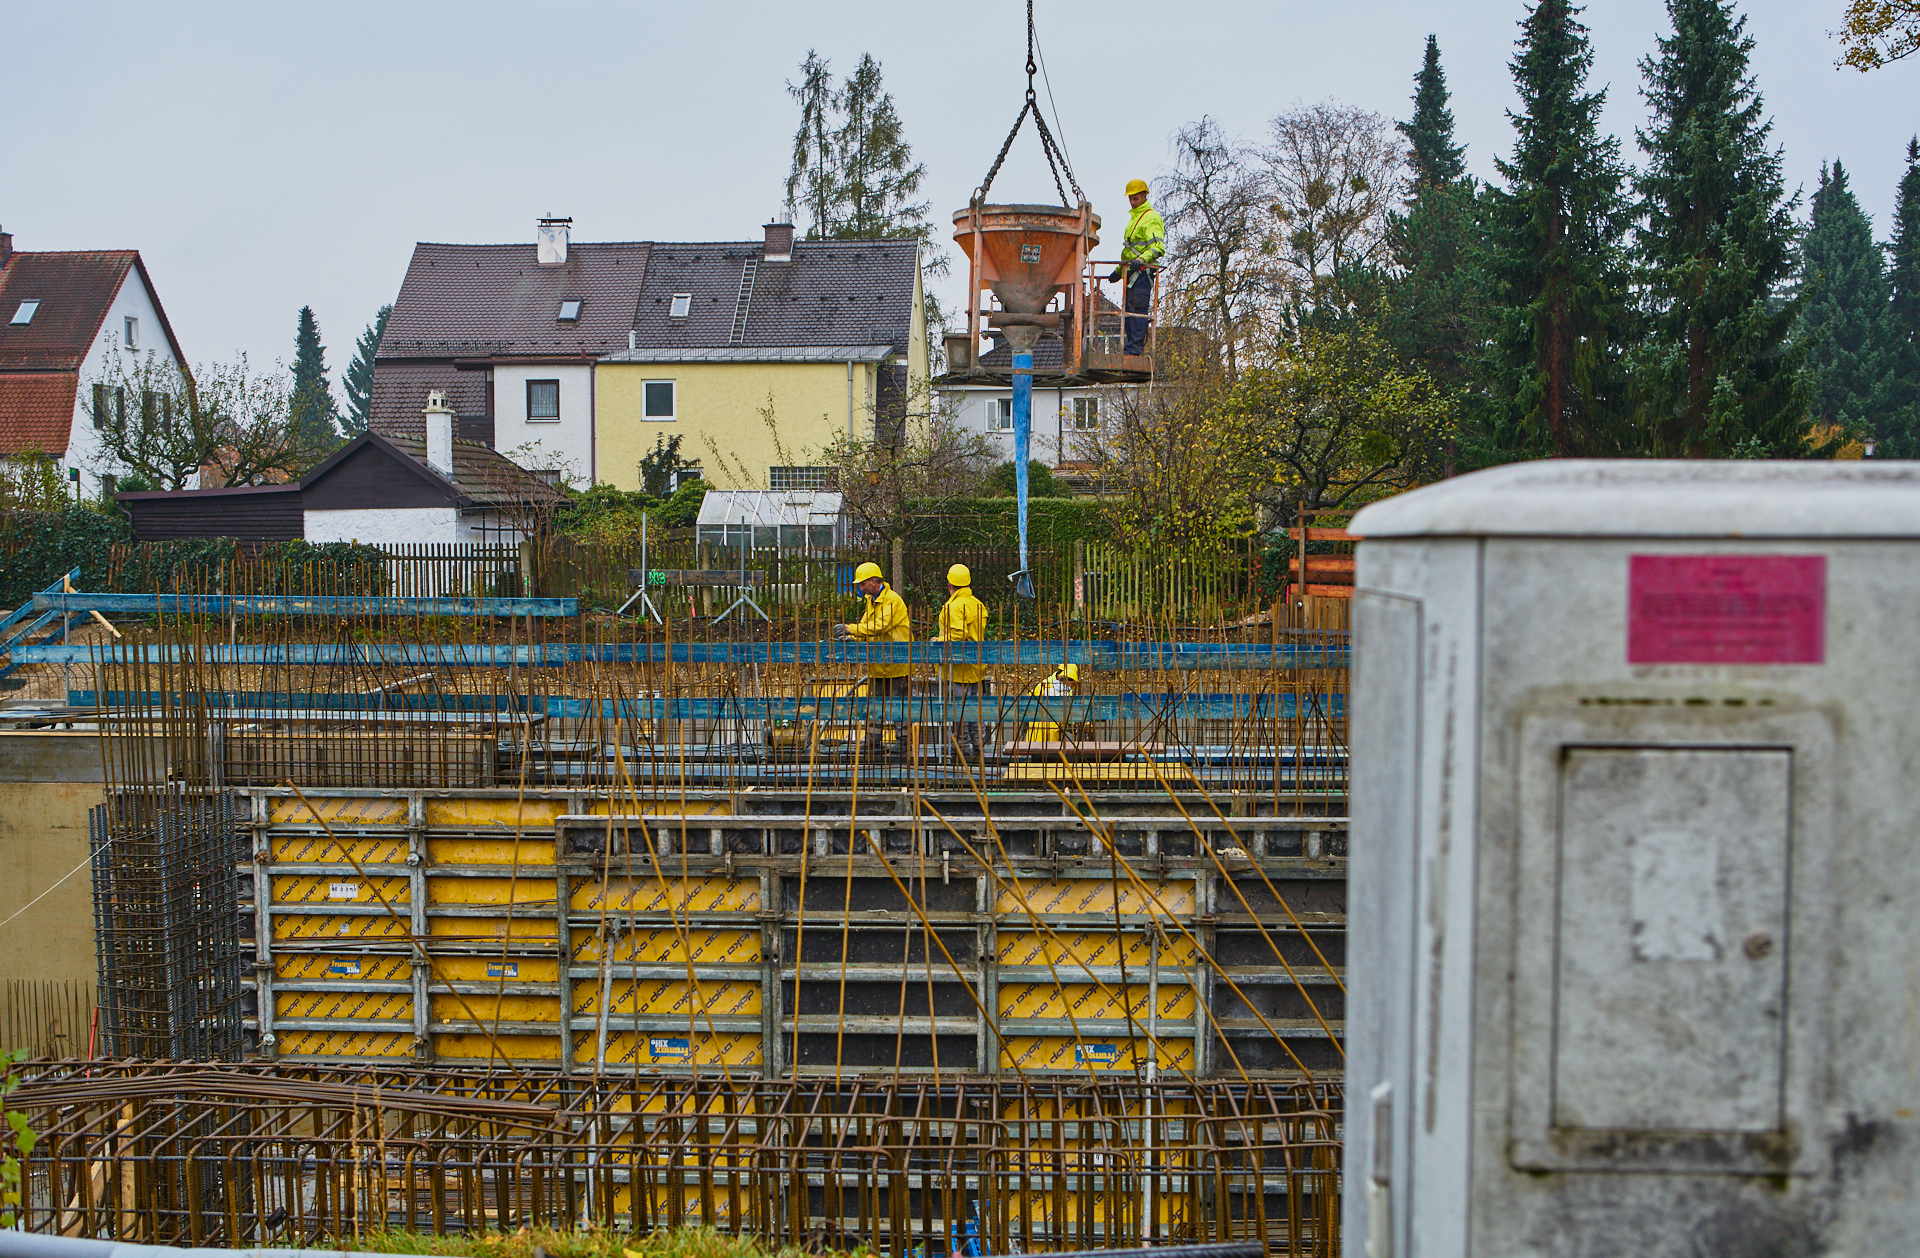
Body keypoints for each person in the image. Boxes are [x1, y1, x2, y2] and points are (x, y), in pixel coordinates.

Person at [833, 560, 912, 758]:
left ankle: (903, 743)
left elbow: (879, 626)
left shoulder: (892, 601)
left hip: (897, 665)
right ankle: (872, 741)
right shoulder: (871, 601)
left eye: (862, 583)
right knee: (875, 704)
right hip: (878, 665)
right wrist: (853, 636)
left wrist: (851, 628)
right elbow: (866, 626)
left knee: (898, 705)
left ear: (874, 581)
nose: (860, 588)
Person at [930, 563, 988, 759]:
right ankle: (979, 745)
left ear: (949, 585)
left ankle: (960, 748)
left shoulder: (954, 606)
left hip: (959, 667)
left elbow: (957, 635)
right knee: (973, 709)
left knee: (959, 712)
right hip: (975, 666)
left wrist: (938, 641)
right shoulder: (977, 604)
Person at [1107, 179, 1165, 356]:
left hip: (1142, 272)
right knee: (1129, 313)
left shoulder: (1151, 218)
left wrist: (1142, 259)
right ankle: (1129, 349)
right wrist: (1118, 272)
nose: (1132, 202)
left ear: (1144, 196)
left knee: (1138, 311)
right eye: (1130, 199)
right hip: (1131, 272)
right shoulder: (1134, 220)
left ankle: (1133, 351)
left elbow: (1158, 248)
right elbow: (1129, 251)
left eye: (1136, 199)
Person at [1022, 662, 1081, 745]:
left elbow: (1025, 707)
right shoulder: (1062, 693)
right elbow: (1067, 716)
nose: (1071, 687)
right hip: (1050, 738)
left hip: (1033, 737)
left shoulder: (1040, 686)